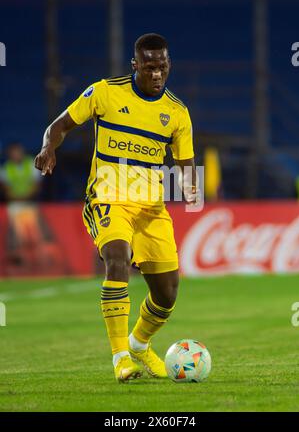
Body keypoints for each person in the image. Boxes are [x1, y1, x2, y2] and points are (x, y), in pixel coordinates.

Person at [35, 33, 200, 382]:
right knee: (117, 258)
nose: (157, 74)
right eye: (150, 67)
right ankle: (120, 358)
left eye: (163, 67)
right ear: (135, 65)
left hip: (151, 208)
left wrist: (188, 184)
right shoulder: (105, 92)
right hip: (108, 197)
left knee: (167, 294)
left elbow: (186, 163)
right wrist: (49, 147)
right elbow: (59, 126)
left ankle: (139, 345)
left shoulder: (176, 113)